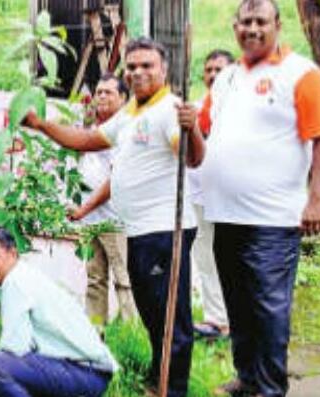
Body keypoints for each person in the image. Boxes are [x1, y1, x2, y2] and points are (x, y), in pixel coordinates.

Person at [23, 37, 206, 396]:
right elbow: (86, 139)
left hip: (165, 230)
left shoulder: (169, 109)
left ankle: (175, 389)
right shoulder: (131, 111)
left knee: (171, 318)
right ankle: (159, 377)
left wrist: (193, 129)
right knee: (153, 313)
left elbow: (192, 158)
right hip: (139, 230)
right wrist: (41, 125)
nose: (138, 72)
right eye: (132, 66)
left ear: (164, 70)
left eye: (147, 66)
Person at [193, 1, 320, 395]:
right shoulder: (226, 79)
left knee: (269, 309)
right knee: (238, 303)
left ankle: (271, 387)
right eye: (245, 22)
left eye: (261, 21)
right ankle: (248, 376)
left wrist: (317, 198)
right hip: (225, 214)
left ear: (278, 24)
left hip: (272, 219)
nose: (252, 29)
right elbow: (203, 128)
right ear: (234, 26)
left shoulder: (301, 74)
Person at [0, 227, 117, 397]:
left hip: (85, 374)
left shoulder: (15, 282)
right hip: (89, 373)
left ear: (12, 254)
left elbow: (15, 347)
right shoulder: (25, 275)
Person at [68, 74, 138, 326]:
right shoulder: (91, 130)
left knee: (124, 279)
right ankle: (95, 329)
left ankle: (133, 334)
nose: (102, 97)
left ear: (123, 98)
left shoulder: (124, 131)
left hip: (114, 219)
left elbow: (114, 180)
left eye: (109, 92)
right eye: (99, 92)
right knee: (95, 278)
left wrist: (84, 208)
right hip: (90, 219)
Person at [190, 49, 234, 340]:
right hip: (199, 196)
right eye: (209, 70)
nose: (213, 75)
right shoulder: (195, 108)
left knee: (231, 259)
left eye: (220, 70)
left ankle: (238, 319)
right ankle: (216, 320)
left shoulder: (241, 111)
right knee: (204, 257)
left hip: (232, 198)